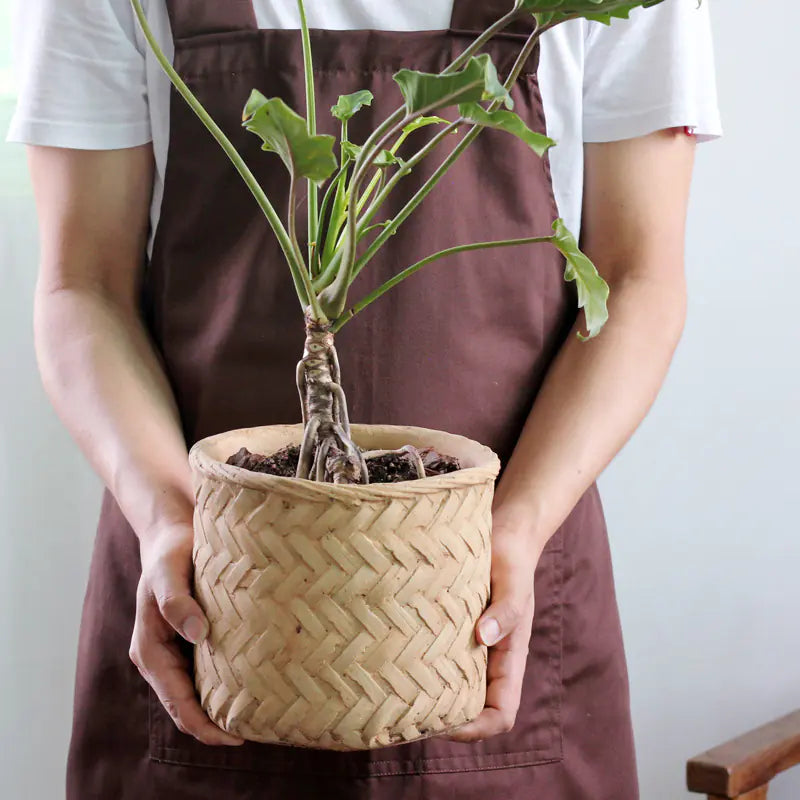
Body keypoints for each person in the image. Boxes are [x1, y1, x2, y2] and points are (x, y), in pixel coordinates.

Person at [7, 0, 721, 798]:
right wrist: (170, 521)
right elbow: (84, 285)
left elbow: (636, 281)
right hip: (215, 592)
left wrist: (513, 533)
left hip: (490, 591)